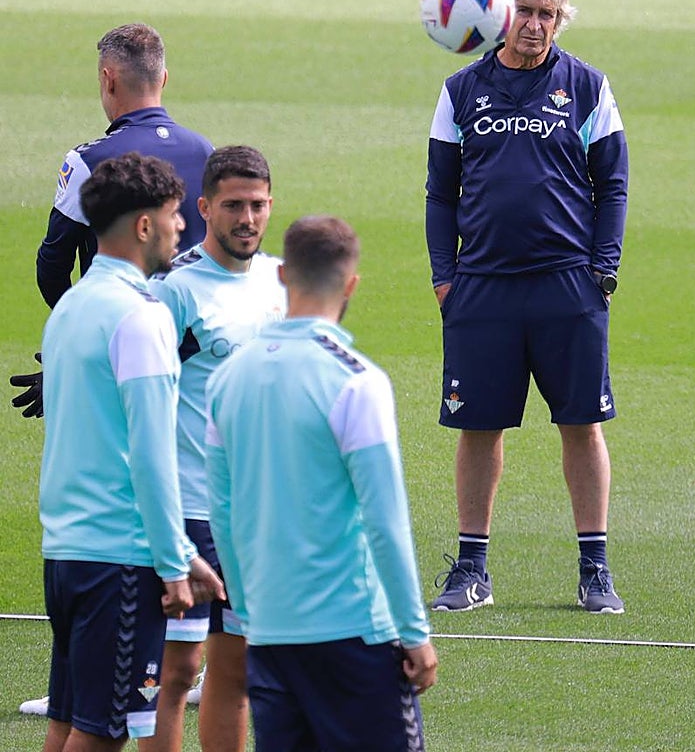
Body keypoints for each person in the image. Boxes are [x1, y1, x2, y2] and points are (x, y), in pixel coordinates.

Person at [424, 0, 630, 614]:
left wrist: (604, 265)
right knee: (478, 429)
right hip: (481, 287)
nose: (536, 26)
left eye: (548, 14)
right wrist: (444, 276)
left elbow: (613, 183)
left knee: (583, 425)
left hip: (567, 286)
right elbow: (440, 193)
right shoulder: (461, 91)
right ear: (500, 17)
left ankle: (594, 570)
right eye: (526, 12)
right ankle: (471, 569)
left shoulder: (589, 86)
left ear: (559, 19)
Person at [205, 215, 437, 750]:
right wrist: (414, 632)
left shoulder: (227, 379)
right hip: (354, 633)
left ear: (283, 275)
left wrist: (248, 611)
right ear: (351, 284)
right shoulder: (357, 382)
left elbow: (222, 510)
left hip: (269, 632)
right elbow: (385, 519)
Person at [37, 152, 224, 752]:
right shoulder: (140, 319)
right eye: (173, 216)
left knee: (67, 724)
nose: (182, 229)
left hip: (68, 553)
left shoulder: (71, 307)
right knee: (103, 736)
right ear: (144, 225)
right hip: (119, 560)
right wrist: (173, 561)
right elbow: (149, 452)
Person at [143, 146, 285, 752]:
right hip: (191, 507)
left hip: (256, 514)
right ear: (204, 208)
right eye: (232, 206)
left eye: (257, 205)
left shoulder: (283, 281)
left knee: (238, 674)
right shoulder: (174, 290)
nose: (246, 219)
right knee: (176, 674)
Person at [11, 22, 213, 419]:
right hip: (196, 358)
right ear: (164, 78)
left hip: (121, 353)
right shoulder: (207, 152)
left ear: (108, 79)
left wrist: (79, 335)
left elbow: (52, 268)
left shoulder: (87, 161)